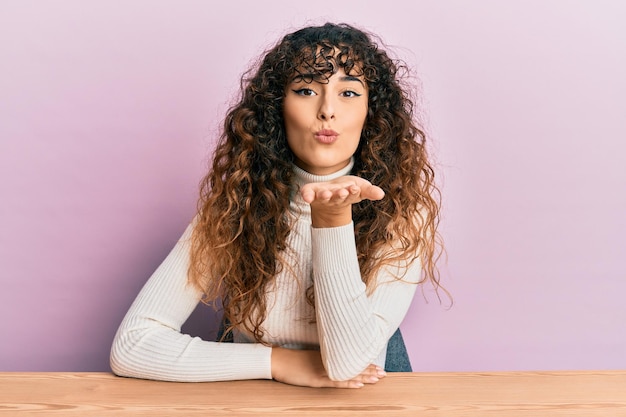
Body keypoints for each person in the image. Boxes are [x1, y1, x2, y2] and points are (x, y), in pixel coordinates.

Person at [110, 22, 443, 389]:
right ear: (277, 109)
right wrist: (278, 361)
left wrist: (331, 218)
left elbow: (350, 366)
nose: (327, 110)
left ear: (372, 113)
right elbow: (132, 345)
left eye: (348, 93)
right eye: (305, 90)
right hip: (257, 398)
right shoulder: (236, 203)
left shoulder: (404, 212)